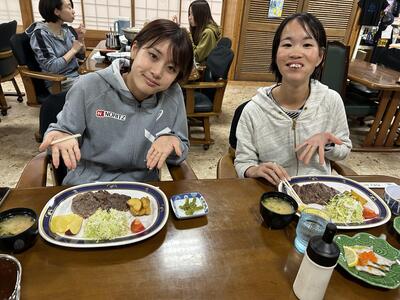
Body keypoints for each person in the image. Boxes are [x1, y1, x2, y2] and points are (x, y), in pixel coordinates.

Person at [38, 19, 194, 185]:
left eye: (171, 68)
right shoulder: (88, 86)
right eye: (153, 56)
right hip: (86, 188)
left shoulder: (172, 94)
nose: (157, 72)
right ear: (135, 49)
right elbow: (60, 135)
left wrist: (172, 141)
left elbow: (180, 148)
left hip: (142, 193)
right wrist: (60, 136)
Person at [234, 12, 352, 186]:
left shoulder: (332, 101)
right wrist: (254, 170)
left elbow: (344, 149)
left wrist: (327, 143)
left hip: (318, 194)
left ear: (320, 56)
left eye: (307, 44)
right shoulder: (253, 110)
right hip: (272, 194)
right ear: (276, 54)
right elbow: (242, 162)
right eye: (287, 44)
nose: (296, 53)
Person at [26, 0, 86, 91]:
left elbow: (81, 56)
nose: (73, 11)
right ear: (56, 11)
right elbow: (53, 67)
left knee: (106, 78)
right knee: (97, 87)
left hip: (77, 75)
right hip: (59, 83)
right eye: (69, 7)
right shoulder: (40, 35)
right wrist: (73, 50)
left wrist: (81, 39)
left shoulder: (66, 29)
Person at [188, 0, 221, 64]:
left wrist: (189, 36)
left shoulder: (208, 33)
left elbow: (196, 57)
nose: (189, 17)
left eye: (192, 14)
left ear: (200, 15)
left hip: (202, 70)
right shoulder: (201, 28)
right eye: (189, 14)